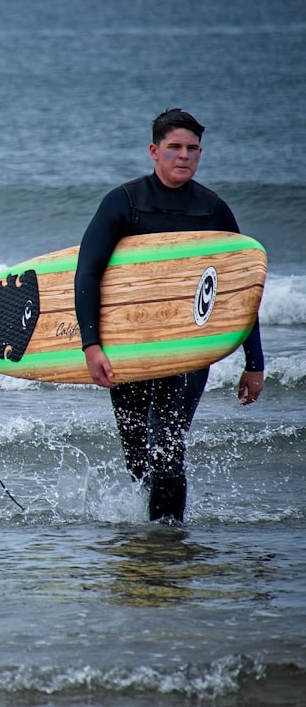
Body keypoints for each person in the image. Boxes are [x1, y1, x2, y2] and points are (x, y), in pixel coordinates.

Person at [74, 108, 264, 522]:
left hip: (188, 348)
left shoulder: (214, 209)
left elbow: (240, 291)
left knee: (168, 444)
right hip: (129, 347)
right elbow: (87, 272)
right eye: (174, 147)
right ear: (153, 151)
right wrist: (92, 345)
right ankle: (149, 539)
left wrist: (254, 362)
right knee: (138, 448)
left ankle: (168, 540)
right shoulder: (123, 203)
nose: (184, 156)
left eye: (192, 148)